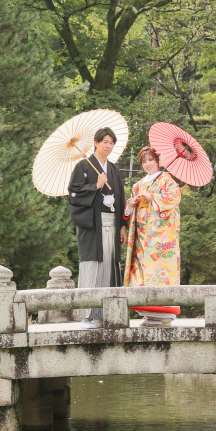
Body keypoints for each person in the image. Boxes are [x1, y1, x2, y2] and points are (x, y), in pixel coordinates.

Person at [68, 127, 127, 325]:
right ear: (96, 142)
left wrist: (122, 226)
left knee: (110, 266)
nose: (108, 146)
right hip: (93, 225)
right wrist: (96, 186)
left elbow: (121, 198)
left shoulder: (114, 170)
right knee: (92, 267)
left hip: (112, 223)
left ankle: (107, 314)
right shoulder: (83, 166)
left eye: (111, 143)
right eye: (105, 142)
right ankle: (87, 315)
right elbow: (74, 193)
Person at [123, 146, 181, 286]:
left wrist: (152, 197)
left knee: (158, 266)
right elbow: (128, 210)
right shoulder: (138, 185)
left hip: (159, 234)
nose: (147, 164)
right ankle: (140, 295)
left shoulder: (166, 179)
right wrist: (131, 204)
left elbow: (175, 197)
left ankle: (160, 297)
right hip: (141, 232)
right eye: (144, 162)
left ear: (157, 161)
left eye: (151, 160)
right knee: (140, 264)